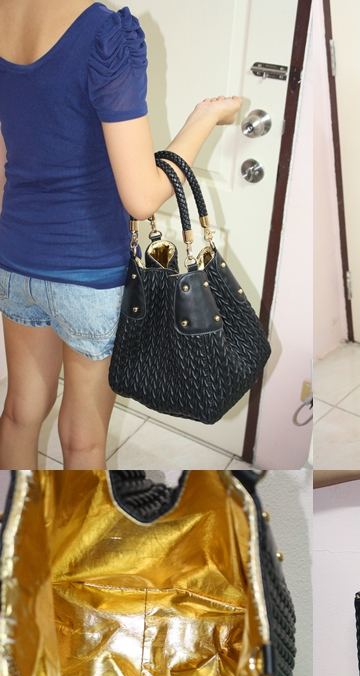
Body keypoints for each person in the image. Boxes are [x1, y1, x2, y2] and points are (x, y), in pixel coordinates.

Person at [0, 0, 242, 471]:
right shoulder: (106, 35)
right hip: (90, 275)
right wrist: (204, 118)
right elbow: (142, 198)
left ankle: (18, 516)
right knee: (84, 441)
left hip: (15, 259)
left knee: (19, 413)